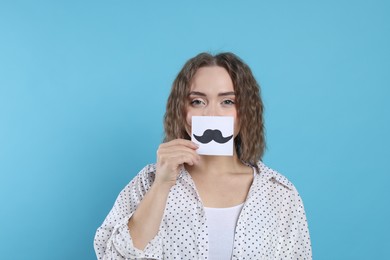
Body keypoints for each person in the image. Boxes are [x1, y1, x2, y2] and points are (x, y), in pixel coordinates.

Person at [94, 52, 312, 259]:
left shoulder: (280, 194)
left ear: (245, 112)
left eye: (228, 102)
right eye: (198, 101)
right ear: (181, 111)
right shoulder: (149, 182)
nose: (212, 114)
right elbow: (114, 257)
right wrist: (161, 184)